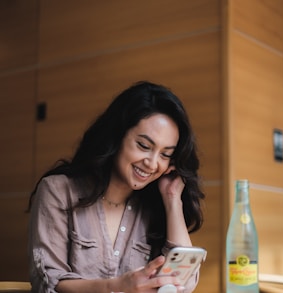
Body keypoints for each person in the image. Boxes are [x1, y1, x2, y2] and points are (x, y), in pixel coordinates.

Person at [28, 81, 205, 293]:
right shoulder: (58, 191)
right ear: (117, 136)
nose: (152, 163)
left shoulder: (154, 206)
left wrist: (172, 198)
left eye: (165, 154)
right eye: (144, 146)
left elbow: (183, 285)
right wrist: (118, 286)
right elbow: (48, 281)